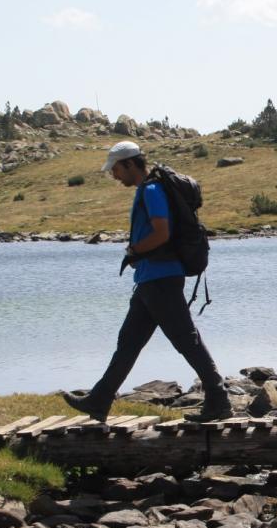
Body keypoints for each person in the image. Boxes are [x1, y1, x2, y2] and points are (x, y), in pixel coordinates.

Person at [63, 141, 232, 422]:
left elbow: (161, 233)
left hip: (161, 279)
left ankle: (219, 400)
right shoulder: (148, 189)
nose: (114, 176)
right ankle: (99, 401)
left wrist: (135, 250)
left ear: (130, 164)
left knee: (186, 341)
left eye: (116, 169)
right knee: (128, 343)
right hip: (150, 280)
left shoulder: (152, 190)